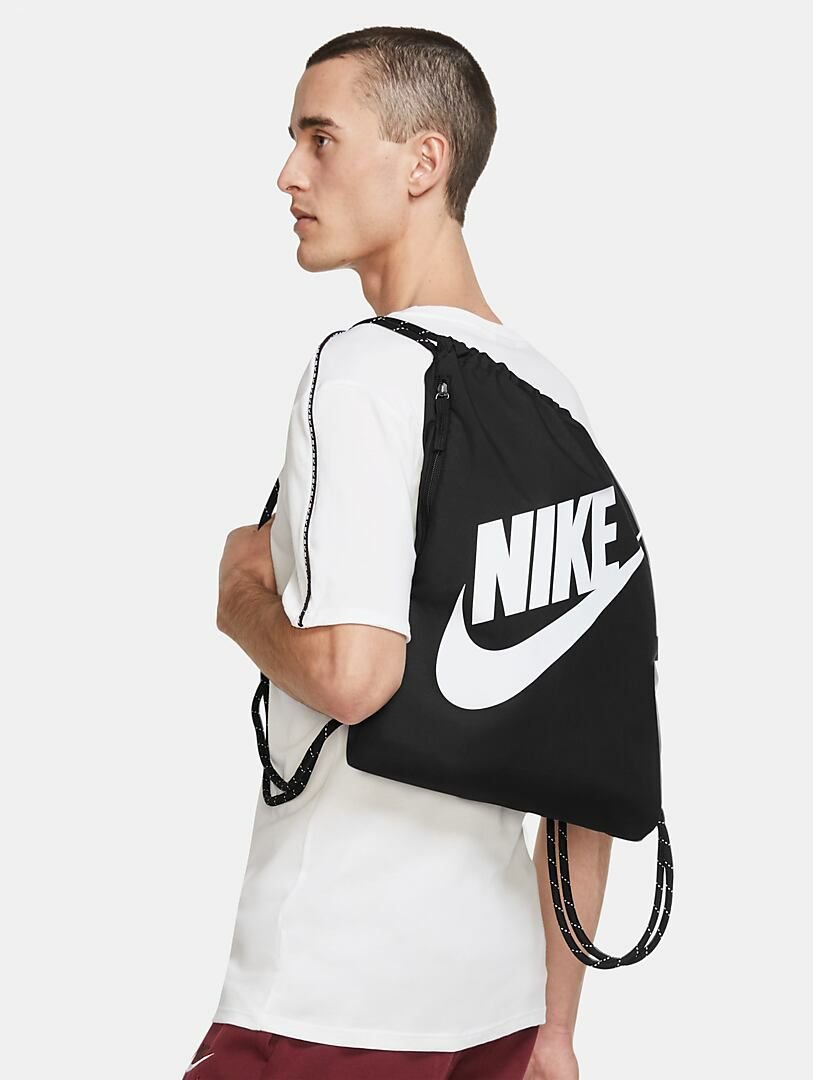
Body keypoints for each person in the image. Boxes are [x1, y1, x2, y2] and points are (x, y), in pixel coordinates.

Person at [187, 25, 612, 1080]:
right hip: (497, 1006)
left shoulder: (364, 373)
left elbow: (352, 674)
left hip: (330, 998)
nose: (289, 174)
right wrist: (556, 1028)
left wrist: (241, 594)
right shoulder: (554, 403)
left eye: (321, 138)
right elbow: (587, 759)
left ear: (424, 162)